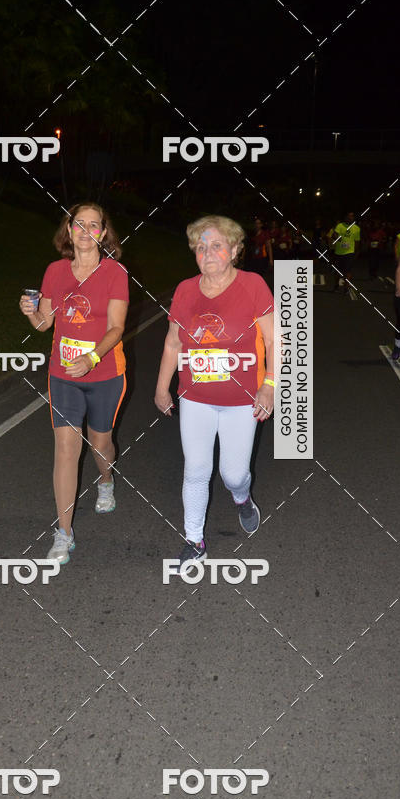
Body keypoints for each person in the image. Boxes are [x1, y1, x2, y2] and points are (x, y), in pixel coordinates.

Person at [154, 215, 275, 567]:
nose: (207, 253)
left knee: (233, 474)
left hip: (242, 399)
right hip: (195, 397)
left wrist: (269, 385)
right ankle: (194, 540)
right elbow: (173, 342)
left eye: (217, 246)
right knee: (196, 470)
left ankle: (242, 498)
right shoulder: (185, 290)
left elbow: (274, 340)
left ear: (235, 250)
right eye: (201, 247)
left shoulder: (253, 285)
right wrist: (162, 387)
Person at [19, 202, 129, 564]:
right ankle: (64, 532)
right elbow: (44, 324)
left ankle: (106, 479)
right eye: (78, 224)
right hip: (63, 373)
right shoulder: (55, 271)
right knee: (66, 447)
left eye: (93, 225)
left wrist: (92, 357)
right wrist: (31, 312)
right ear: (69, 230)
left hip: (105, 372)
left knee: (100, 443)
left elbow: (116, 327)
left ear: (103, 233)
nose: (85, 231)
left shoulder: (114, 273)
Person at [329, 211, 360, 291]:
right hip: (339, 252)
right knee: (337, 271)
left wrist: (356, 252)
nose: (350, 218)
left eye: (352, 216)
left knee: (348, 271)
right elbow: (334, 235)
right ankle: (336, 285)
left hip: (349, 253)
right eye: (348, 216)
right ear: (345, 217)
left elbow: (357, 242)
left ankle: (346, 287)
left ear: (353, 218)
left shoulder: (356, 228)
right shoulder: (340, 225)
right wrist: (338, 238)